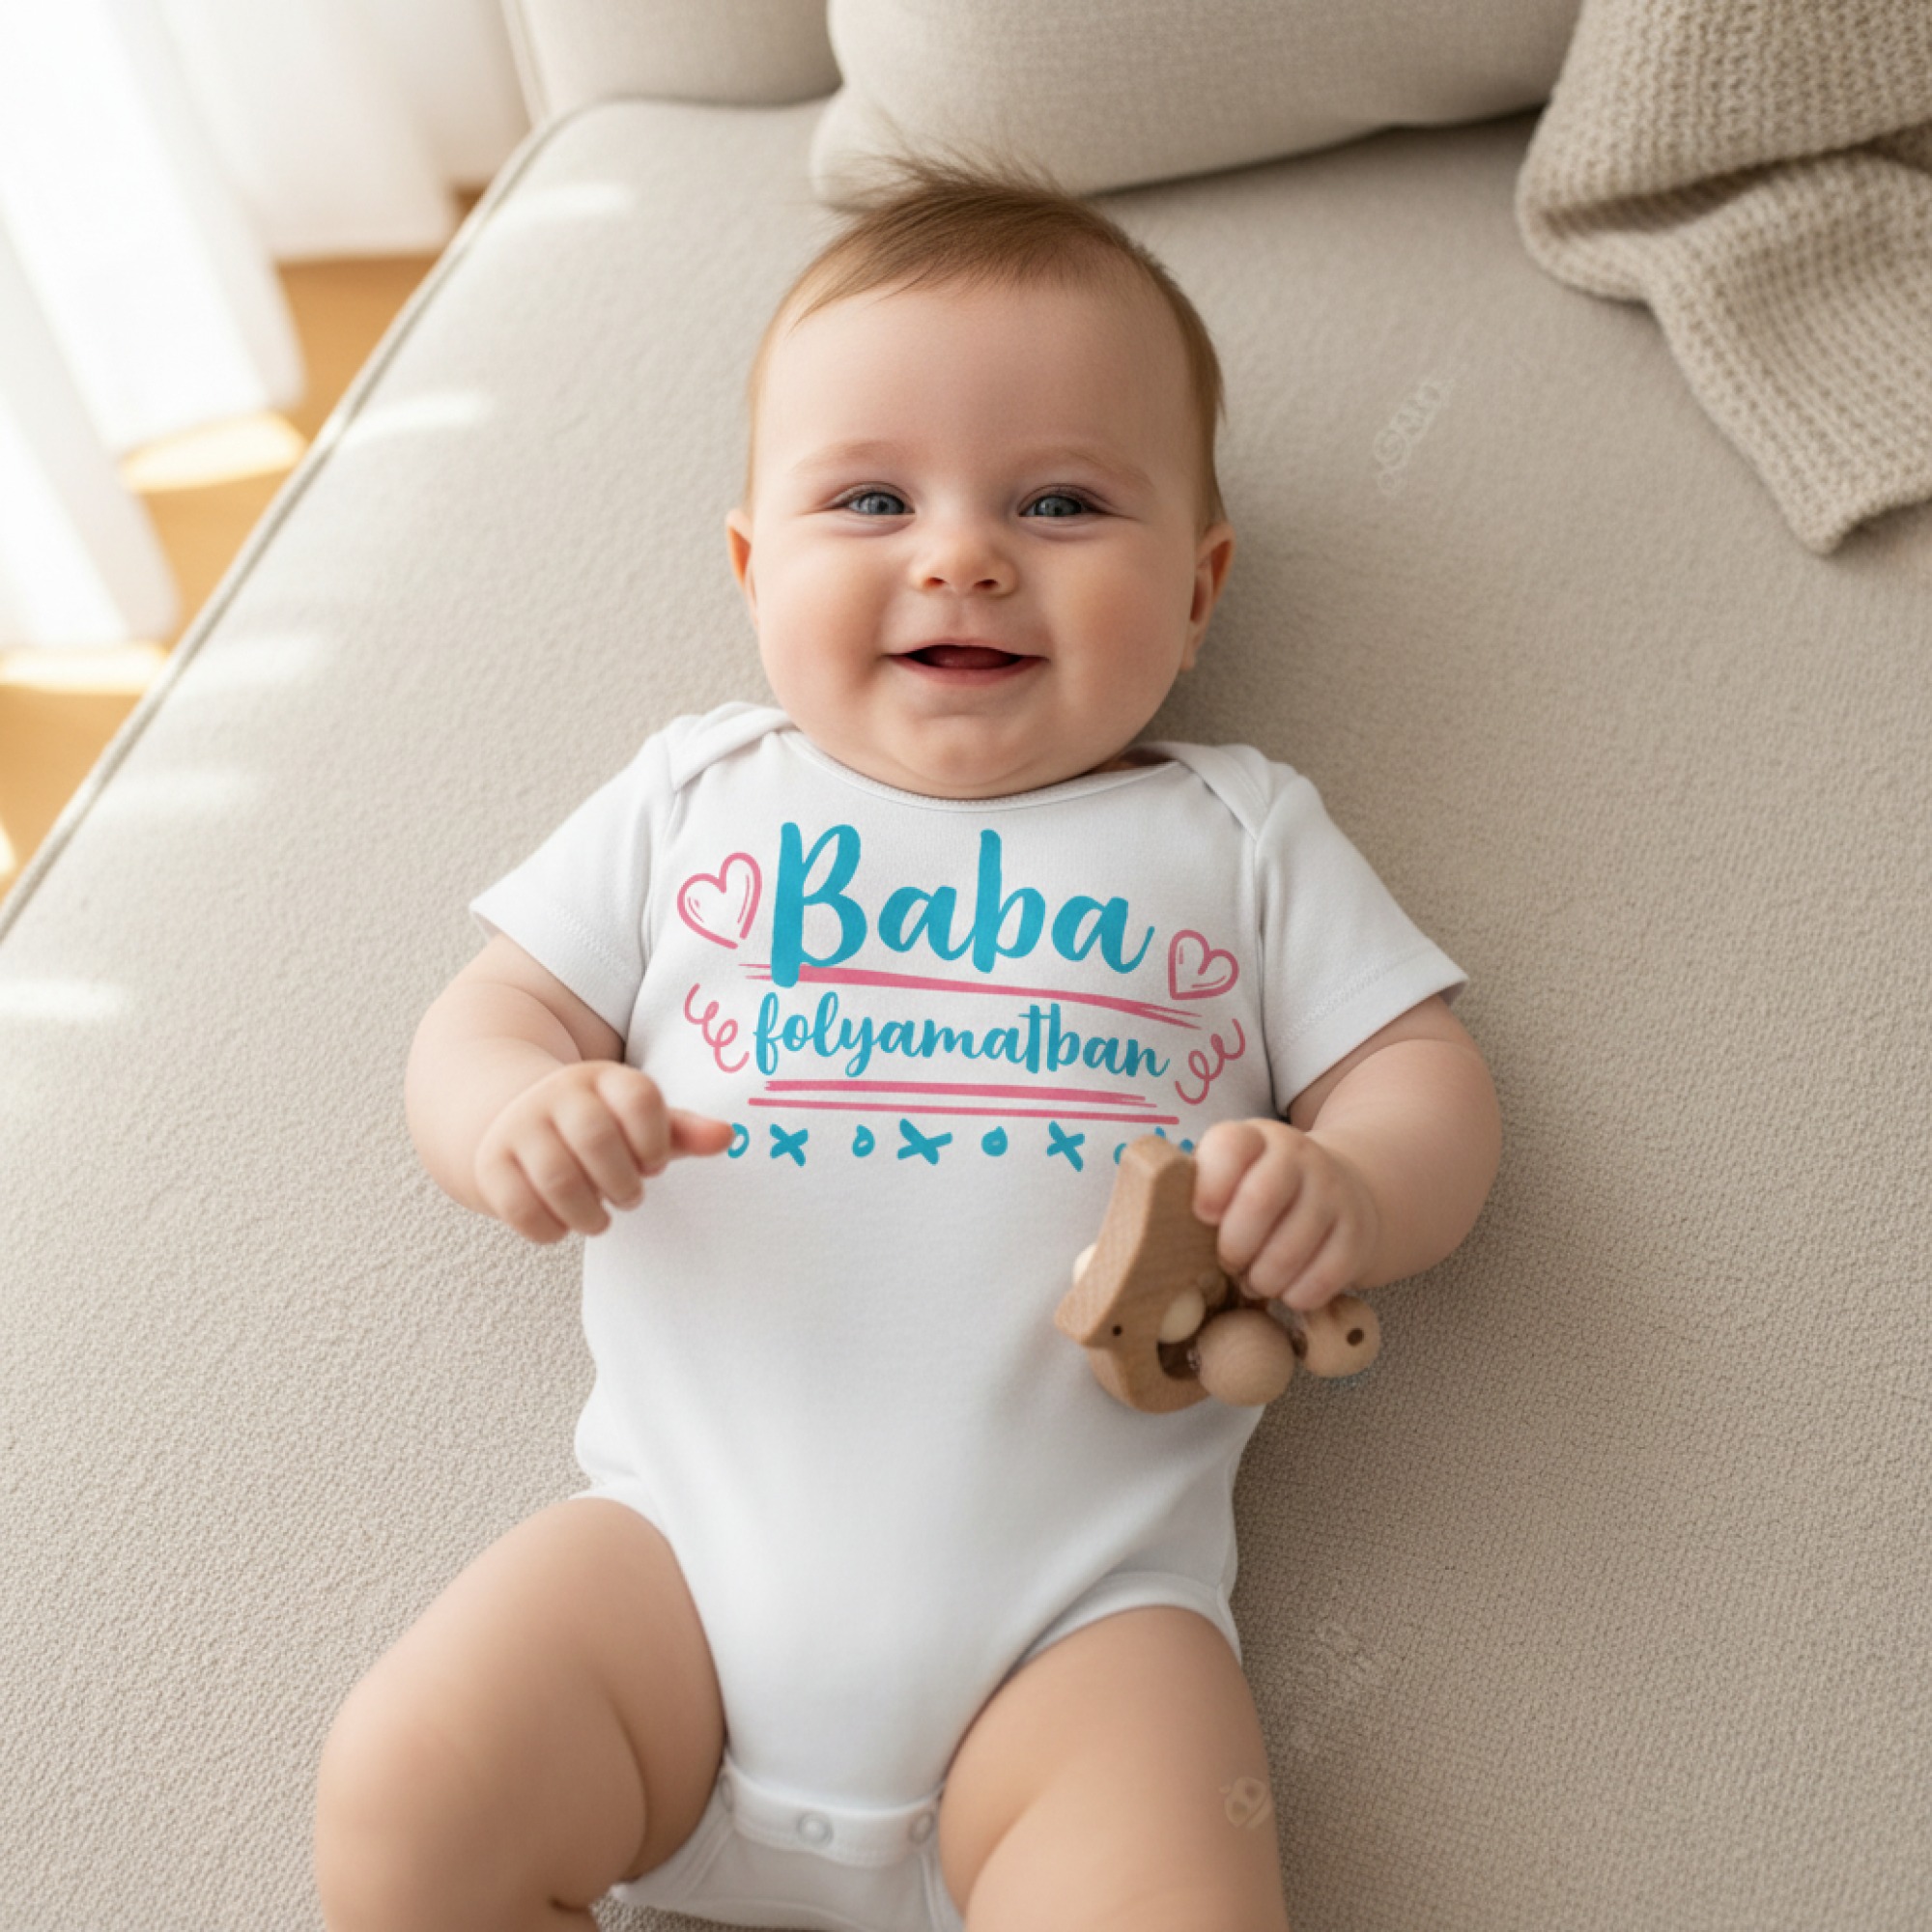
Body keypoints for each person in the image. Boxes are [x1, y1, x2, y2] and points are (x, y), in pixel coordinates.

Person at [313, 153, 1502, 1932]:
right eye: (870, 499)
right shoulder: (694, 796)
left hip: (1074, 1636)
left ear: (1198, 589)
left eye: (1062, 504)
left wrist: (1356, 1184)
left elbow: (1425, 1082)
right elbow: (489, 1014)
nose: (964, 555)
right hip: (671, 1576)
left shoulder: (1240, 835)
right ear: (751, 569)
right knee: (409, 1785)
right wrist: (515, 1115)